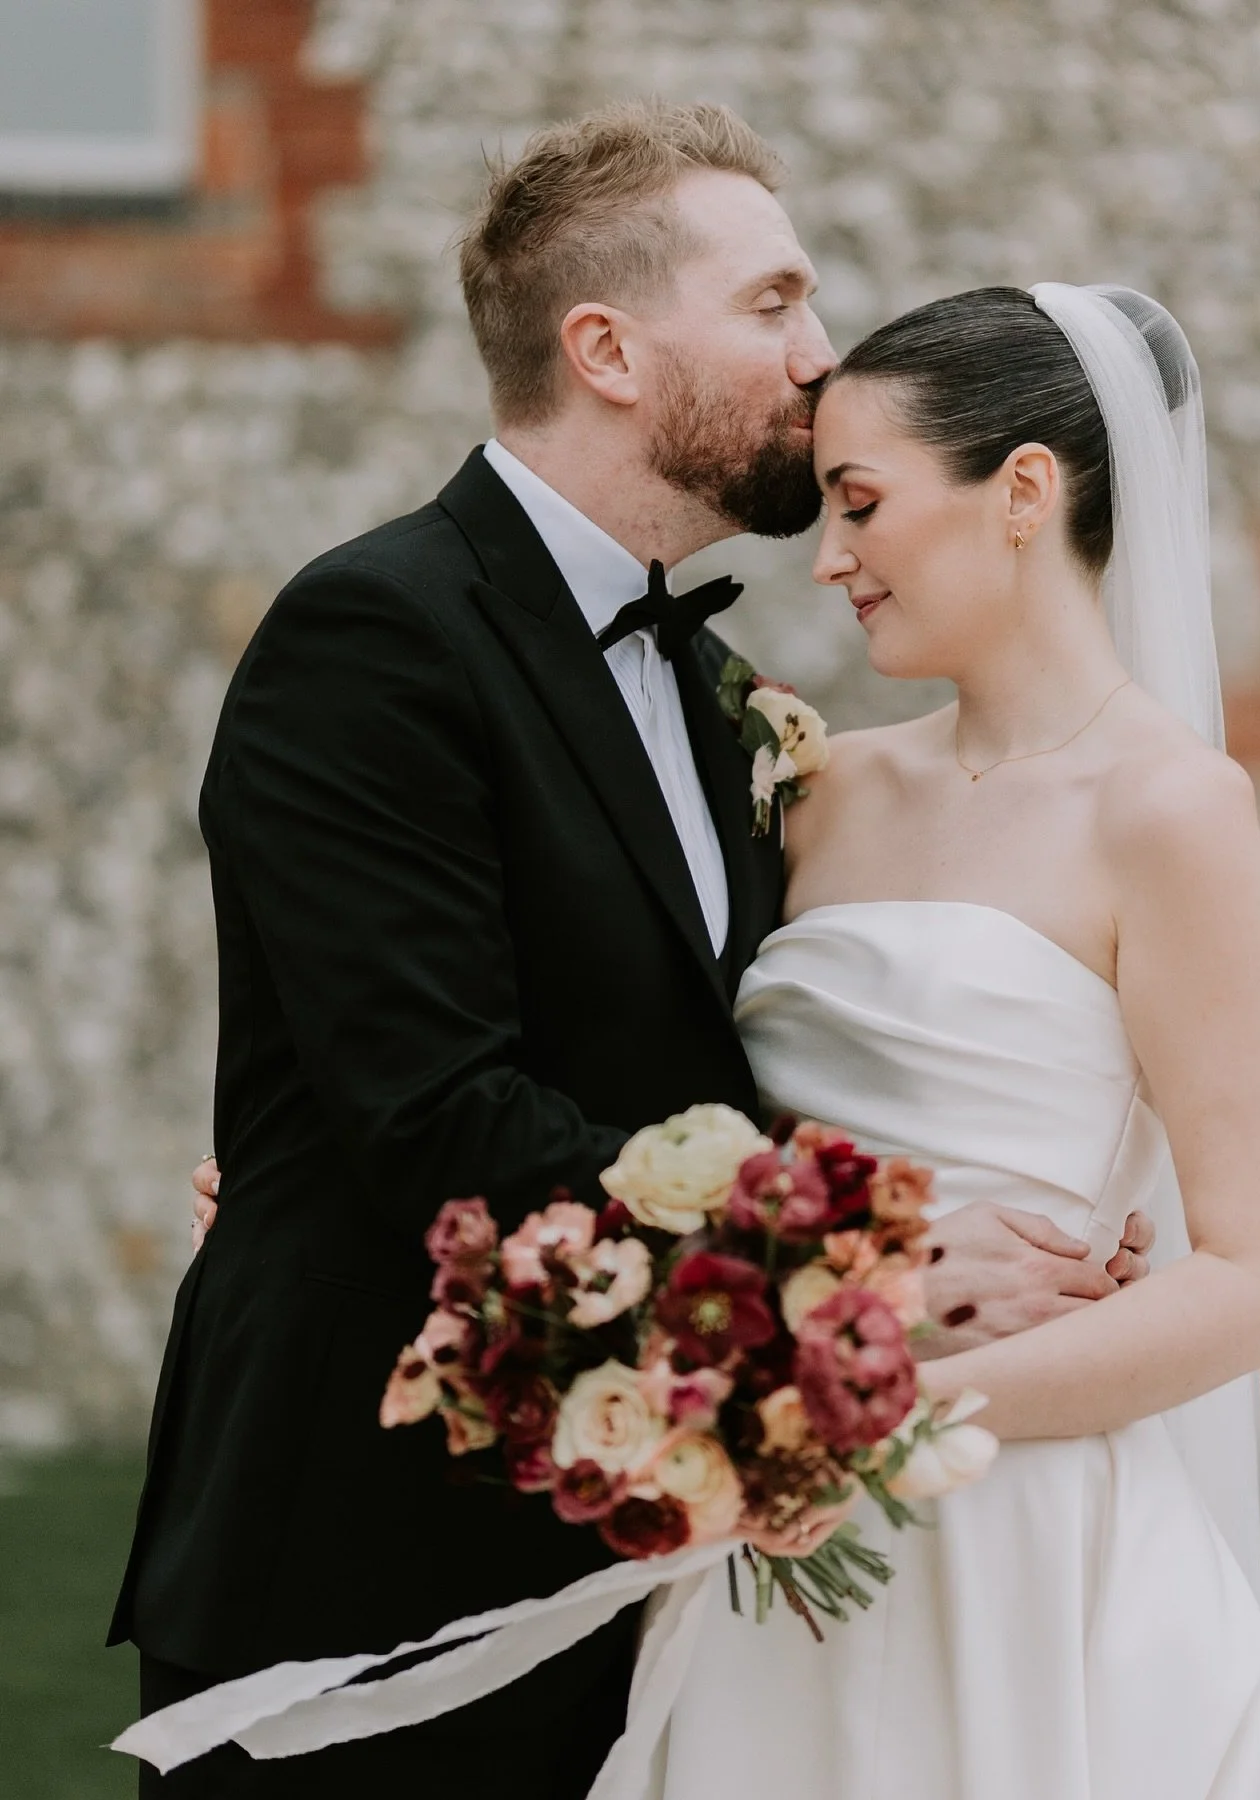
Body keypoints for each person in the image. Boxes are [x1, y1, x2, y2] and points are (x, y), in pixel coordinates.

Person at [115, 102, 1152, 1798]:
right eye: (773, 305)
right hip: (373, 1566)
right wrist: (873, 1267)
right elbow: (443, 1119)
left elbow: (690, 1063)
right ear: (604, 347)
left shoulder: (717, 690)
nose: (822, 363)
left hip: (657, 1550)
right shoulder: (374, 635)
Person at [649, 286, 1260, 1798]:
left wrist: (877, 1403)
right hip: (776, 1525)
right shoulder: (814, 787)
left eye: (862, 504)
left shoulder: (1170, 814)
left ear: (1023, 491)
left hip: (1021, 1531)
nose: (826, 561)